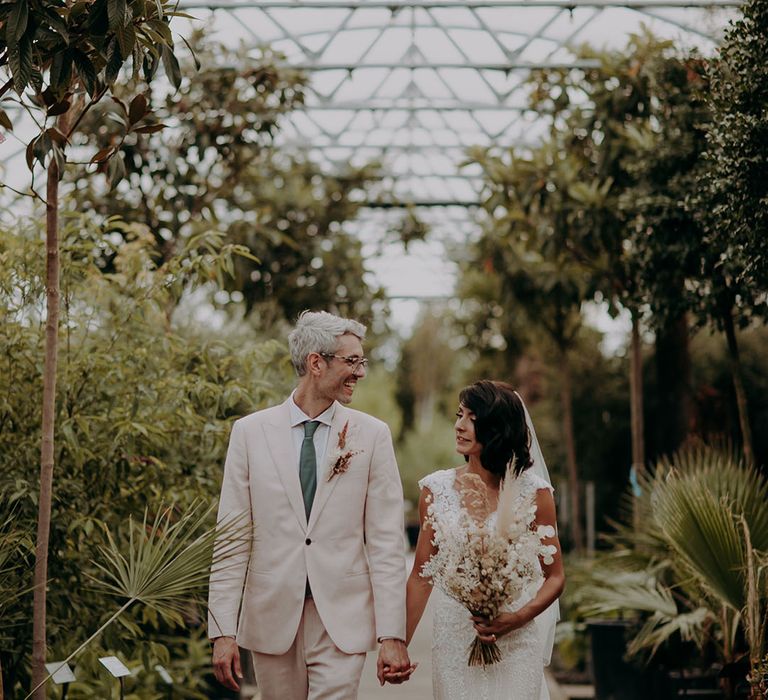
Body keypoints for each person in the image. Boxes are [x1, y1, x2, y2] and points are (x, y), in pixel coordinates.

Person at [208, 310, 413, 699]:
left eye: (362, 361)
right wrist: (222, 630)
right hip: (271, 618)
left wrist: (392, 634)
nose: (361, 372)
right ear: (316, 363)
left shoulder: (372, 436)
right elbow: (230, 538)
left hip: (342, 618)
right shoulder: (249, 433)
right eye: (351, 361)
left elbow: (386, 542)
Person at [401, 380, 565, 700]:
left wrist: (515, 619)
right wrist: (397, 645)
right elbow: (422, 576)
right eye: (459, 415)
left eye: (471, 418)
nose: (459, 426)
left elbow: (555, 576)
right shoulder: (436, 491)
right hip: (454, 641)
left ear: (497, 428)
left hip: (516, 642)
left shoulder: (535, 493)